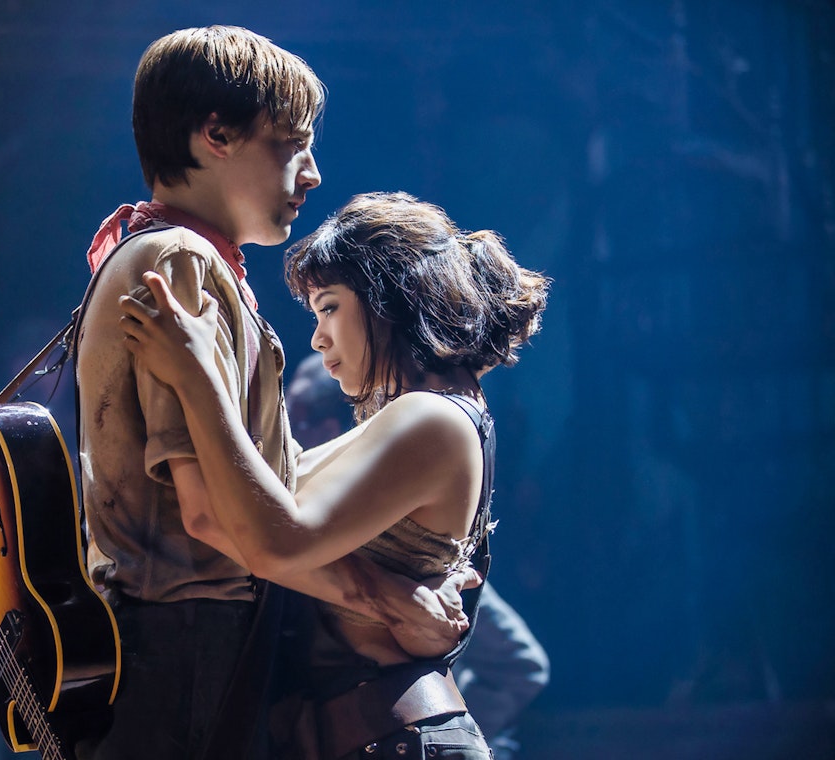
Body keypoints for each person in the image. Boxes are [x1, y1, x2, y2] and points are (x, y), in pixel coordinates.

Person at [75, 28, 474, 760]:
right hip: (190, 634)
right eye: (292, 145)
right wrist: (390, 597)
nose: (313, 173)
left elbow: (275, 479)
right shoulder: (179, 261)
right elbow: (213, 515)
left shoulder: (175, 255)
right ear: (216, 135)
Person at [119, 190, 550, 759]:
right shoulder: (421, 414)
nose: (318, 337)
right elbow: (227, 510)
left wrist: (200, 377)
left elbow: (274, 539)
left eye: (329, 307)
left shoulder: (432, 418)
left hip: (398, 740)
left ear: (387, 302)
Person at [286, 352, 551, 759]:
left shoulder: (406, 538)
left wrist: (436, 720)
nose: (295, 430)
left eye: (303, 417)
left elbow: (522, 662)